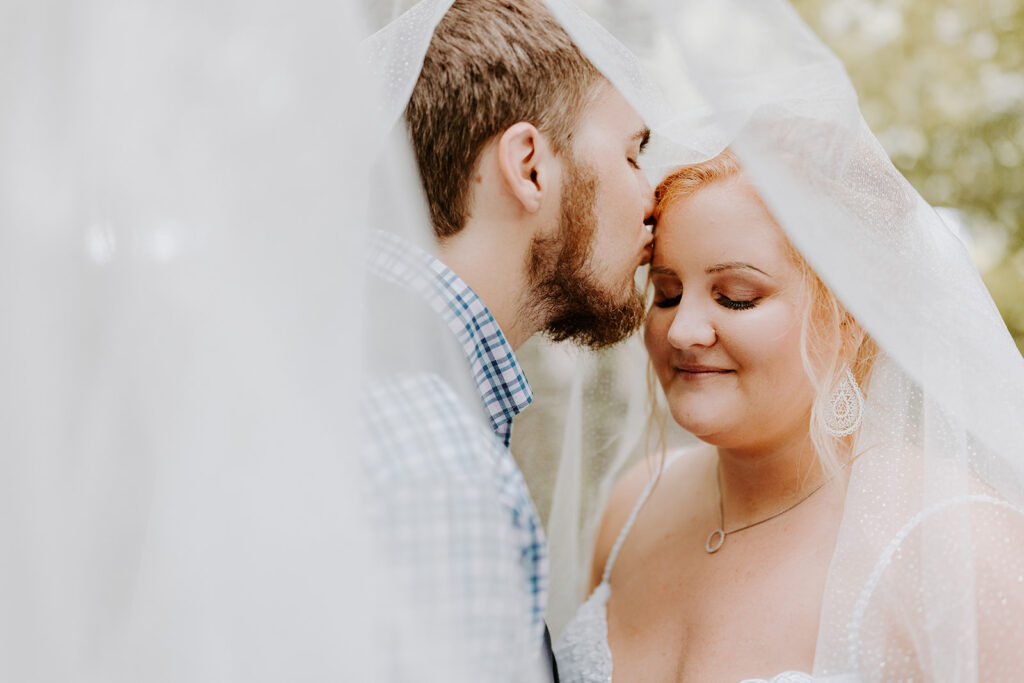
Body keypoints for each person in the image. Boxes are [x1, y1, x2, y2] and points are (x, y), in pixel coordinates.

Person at [553, 148, 1024, 682]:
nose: (682, 331)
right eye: (667, 294)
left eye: (735, 297)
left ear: (851, 317)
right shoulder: (634, 504)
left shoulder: (956, 544)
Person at [361, 0, 655, 679]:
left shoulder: (329, 360)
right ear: (529, 166)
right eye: (633, 153)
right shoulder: (438, 465)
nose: (652, 201)